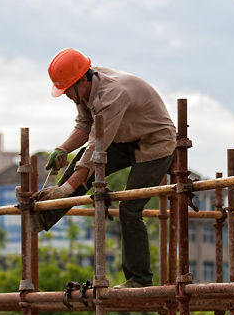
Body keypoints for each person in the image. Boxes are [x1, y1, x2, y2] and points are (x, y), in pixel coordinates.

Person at [31, 48, 176, 289]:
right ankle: (43, 215)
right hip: (124, 138)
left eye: (67, 89)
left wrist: (65, 190)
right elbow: (85, 125)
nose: (65, 94)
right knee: (77, 165)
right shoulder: (85, 89)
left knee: (129, 206)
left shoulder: (111, 95)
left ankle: (140, 279)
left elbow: (95, 150)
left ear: (81, 80)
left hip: (154, 142)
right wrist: (62, 149)